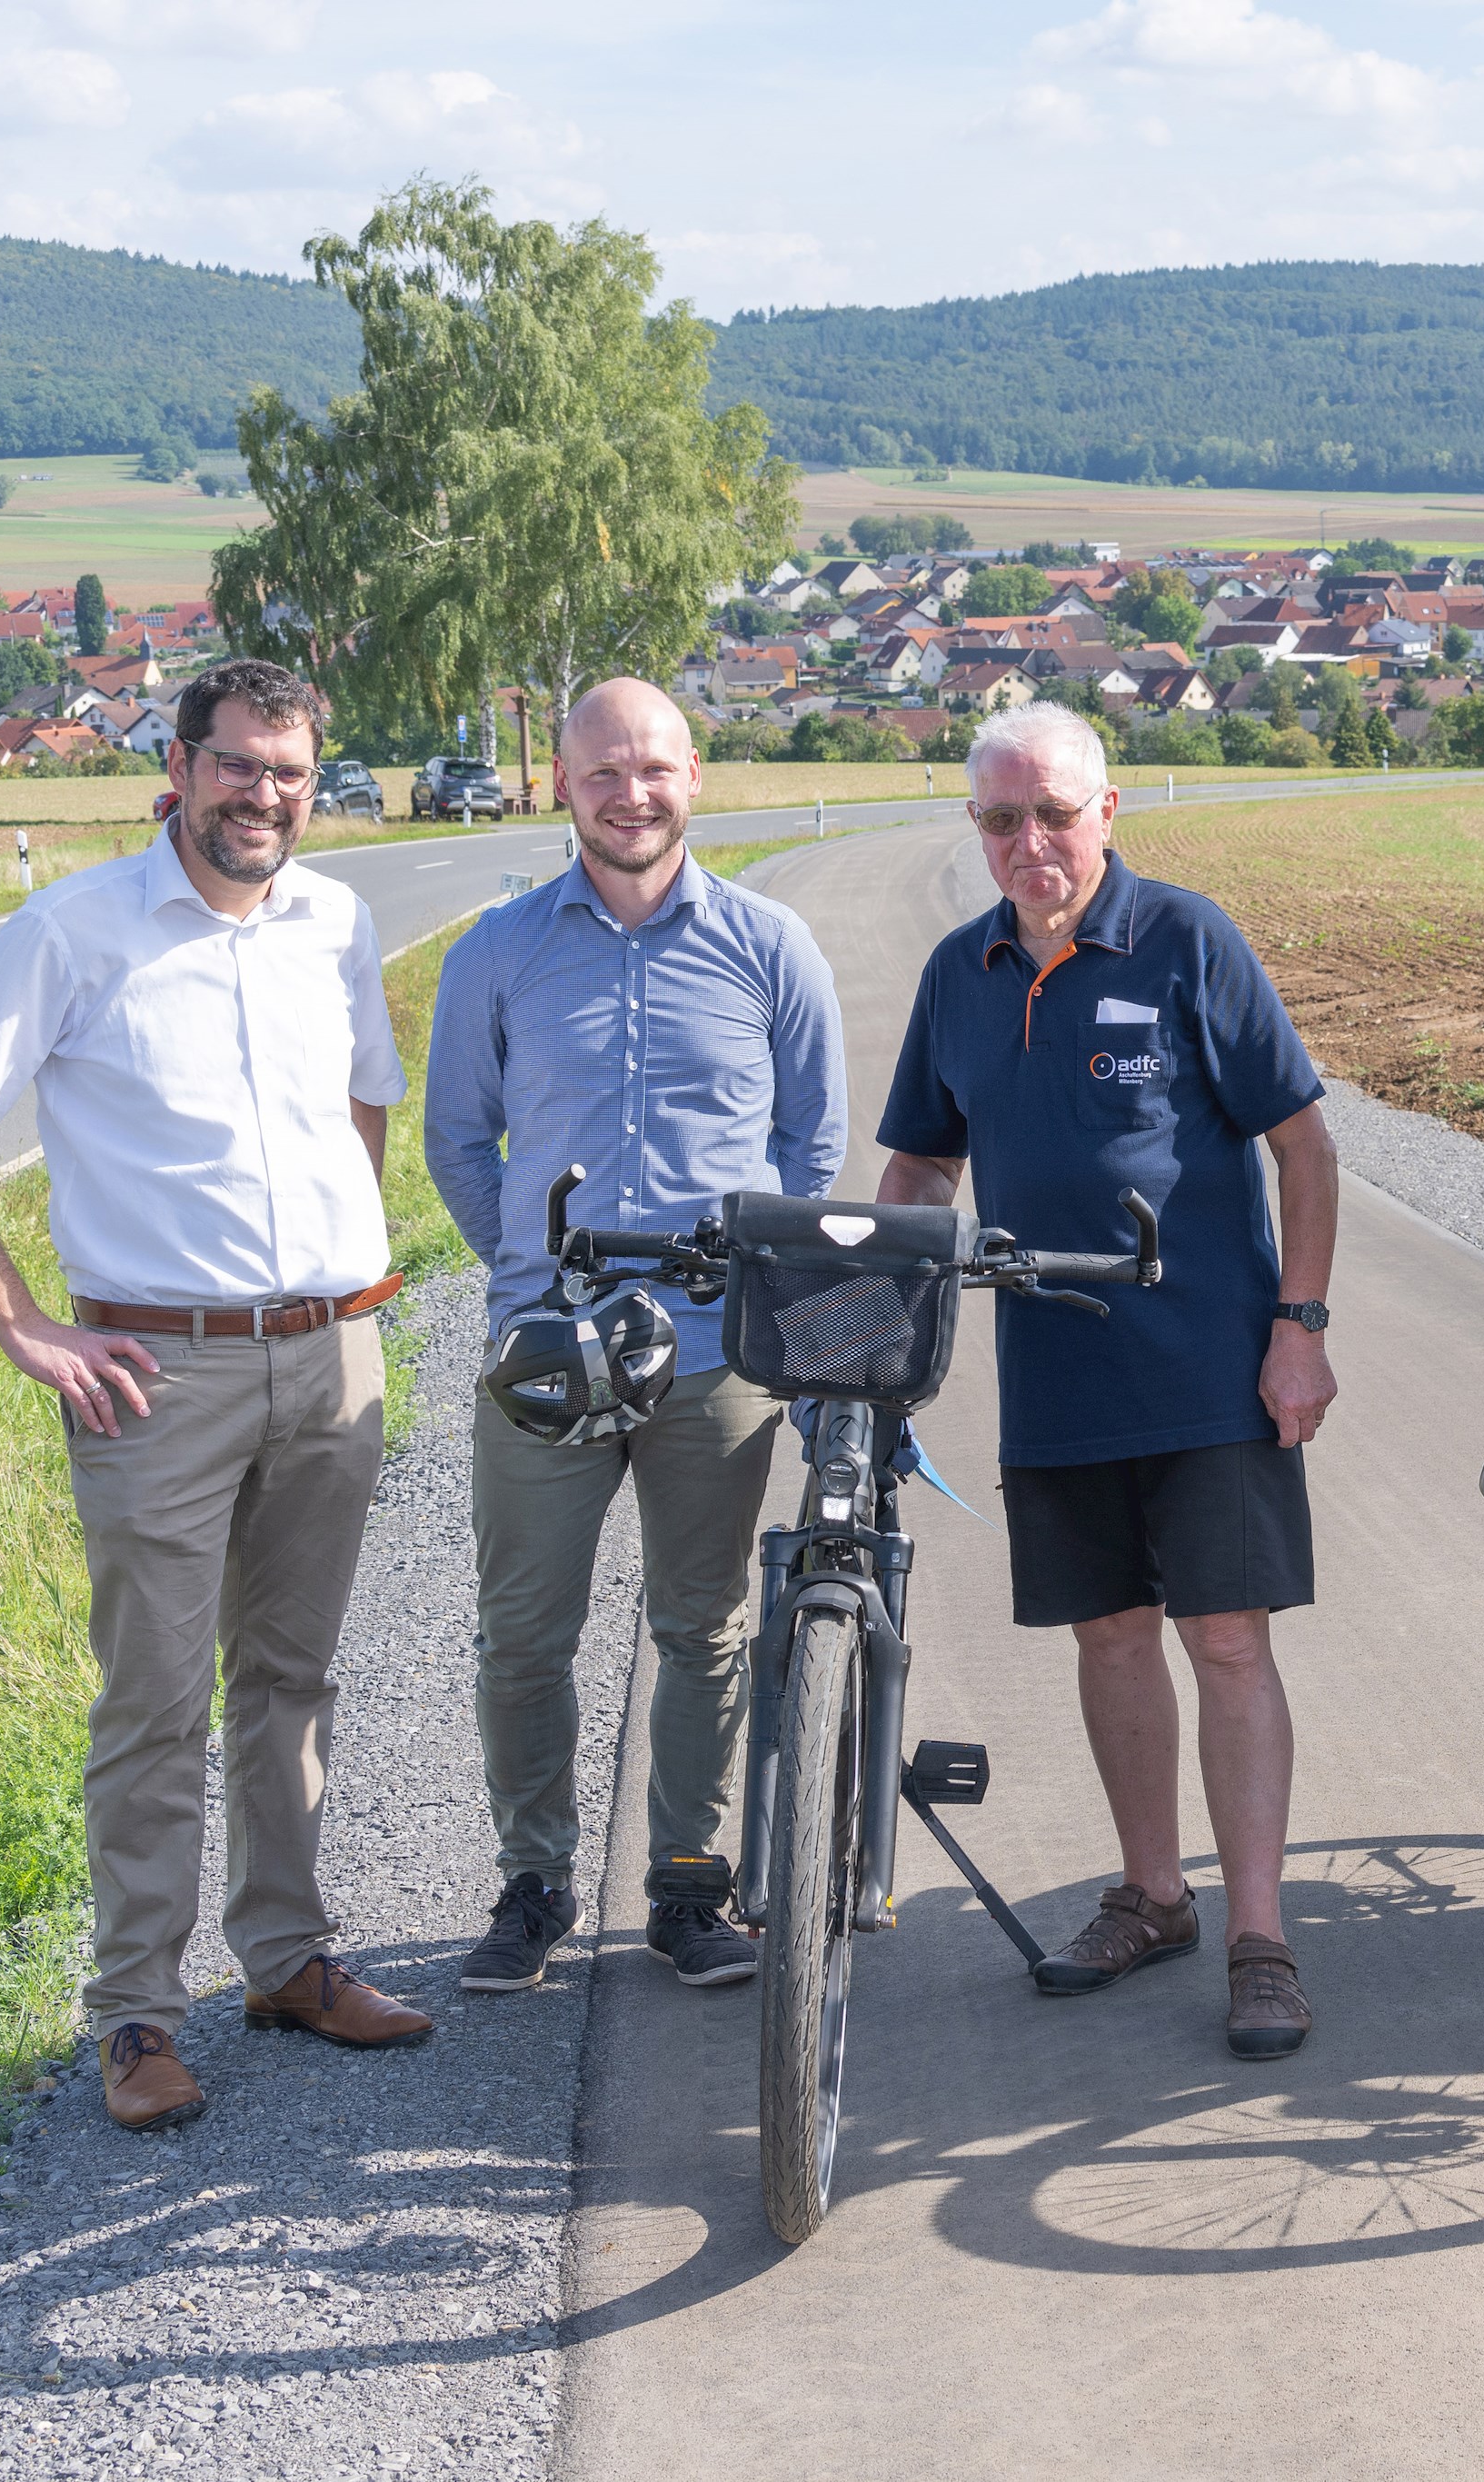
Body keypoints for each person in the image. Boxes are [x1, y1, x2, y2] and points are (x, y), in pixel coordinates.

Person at [0, 657, 433, 2136]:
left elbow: (364, 1097)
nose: (265, 796)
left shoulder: (336, 922)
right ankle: (136, 2012)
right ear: (178, 770)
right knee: (154, 1701)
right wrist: (21, 1324)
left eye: (292, 773)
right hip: (150, 1373)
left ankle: (288, 1961)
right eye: (240, 766)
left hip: (332, 1358)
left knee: (293, 1679)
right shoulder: (74, 932)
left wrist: (332, 1270)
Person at [872, 703, 1340, 2059]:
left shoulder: (1190, 942)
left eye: (1054, 814)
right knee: (1111, 1636)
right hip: (1056, 1374)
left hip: (1208, 1369)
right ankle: (1152, 1896)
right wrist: (870, 1324)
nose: (1031, 844)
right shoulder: (960, 975)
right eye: (1002, 821)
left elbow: (1303, 1149)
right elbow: (919, 1168)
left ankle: (1260, 1936)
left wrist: (1298, 1325)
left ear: (1109, 810)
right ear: (978, 831)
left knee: (1230, 1641)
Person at [424, 678, 846, 1998]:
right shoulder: (497, 951)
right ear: (561, 783)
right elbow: (456, 1137)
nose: (631, 793)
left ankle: (686, 1887)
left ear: (696, 777)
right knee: (523, 1634)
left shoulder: (771, 947)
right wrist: (528, 1272)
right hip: (544, 1358)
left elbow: (813, 1145)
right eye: (603, 771)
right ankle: (534, 1883)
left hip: (716, 1352)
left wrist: (761, 1289)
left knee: (704, 1626)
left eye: (654, 768)